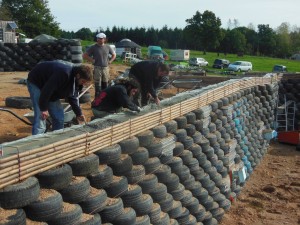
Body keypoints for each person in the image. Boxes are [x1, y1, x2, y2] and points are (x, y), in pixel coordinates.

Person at [27, 60, 92, 135]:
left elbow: (72, 96)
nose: (83, 84)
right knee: (41, 117)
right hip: (36, 82)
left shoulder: (76, 80)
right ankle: (37, 143)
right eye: (83, 81)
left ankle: (56, 138)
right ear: (78, 75)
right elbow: (47, 91)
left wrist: (78, 113)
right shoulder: (64, 73)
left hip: (50, 86)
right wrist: (44, 108)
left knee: (59, 117)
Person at [83, 32, 116, 98]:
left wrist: (110, 61)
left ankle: (104, 99)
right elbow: (84, 55)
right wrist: (92, 60)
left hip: (105, 68)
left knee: (105, 84)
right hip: (97, 68)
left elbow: (114, 55)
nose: (99, 40)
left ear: (104, 39)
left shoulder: (108, 47)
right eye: (98, 38)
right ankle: (97, 99)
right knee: (98, 85)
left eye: (101, 38)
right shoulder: (93, 47)